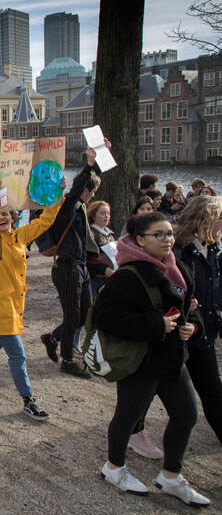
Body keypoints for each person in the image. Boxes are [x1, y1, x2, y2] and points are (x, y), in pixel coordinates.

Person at [94, 212, 210, 506]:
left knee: (186, 415)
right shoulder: (128, 275)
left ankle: (171, 476)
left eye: (170, 233)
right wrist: (156, 324)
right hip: (141, 361)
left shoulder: (177, 267)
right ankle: (114, 467)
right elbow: (106, 317)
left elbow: (190, 306)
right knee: (128, 417)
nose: (168, 239)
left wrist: (193, 327)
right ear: (140, 240)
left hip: (172, 358)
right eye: (159, 235)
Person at [0, 178, 63, 421]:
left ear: (14, 217)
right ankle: (28, 399)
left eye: (6, 214)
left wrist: (57, 196)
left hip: (13, 304)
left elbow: (46, 221)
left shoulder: (19, 237)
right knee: (17, 355)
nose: (2, 218)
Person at [40, 144, 102, 378]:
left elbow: (86, 185)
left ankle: (53, 337)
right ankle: (67, 359)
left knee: (85, 312)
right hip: (67, 267)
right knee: (73, 315)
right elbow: (77, 189)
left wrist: (99, 160)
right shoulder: (65, 206)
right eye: (91, 193)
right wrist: (89, 164)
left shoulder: (78, 206)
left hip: (80, 266)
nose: (91, 197)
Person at [174, 195, 222, 445]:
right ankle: (132, 432)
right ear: (206, 219)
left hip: (203, 332)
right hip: (180, 334)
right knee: (150, 390)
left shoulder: (212, 248)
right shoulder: (179, 250)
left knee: (212, 390)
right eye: (220, 218)